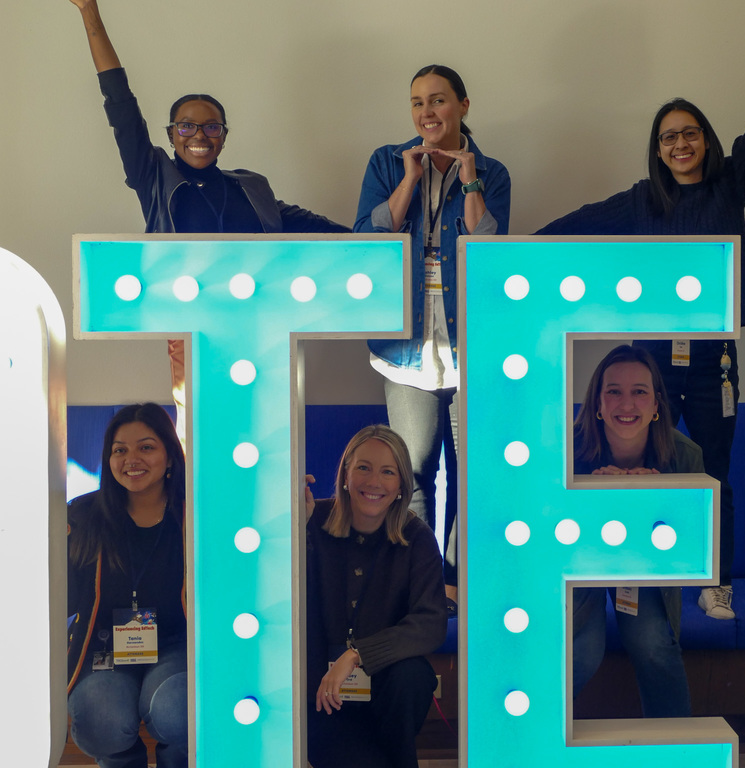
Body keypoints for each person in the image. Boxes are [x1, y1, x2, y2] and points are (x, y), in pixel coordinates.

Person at [538, 16, 745, 620]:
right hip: (651, 359)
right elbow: (571, 226)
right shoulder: (639, 201)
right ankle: (639, 573)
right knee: (647, 462)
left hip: (715, 358)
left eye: (688, 134)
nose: (679, 145)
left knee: (713, 472)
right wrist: (507, 255)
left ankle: (714, 582)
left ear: (704, 140)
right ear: (657, 150)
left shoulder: (729, 186)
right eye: (667, 139)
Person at [68, 0, 351, 442]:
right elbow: (121, 106)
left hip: (261, 327)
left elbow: (314, 226)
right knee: (202, 438)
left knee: (269, 437)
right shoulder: (155, 178)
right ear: (170, 135)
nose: (199, 135)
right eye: (186, 126)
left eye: (211, 127)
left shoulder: (250, 187)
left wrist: (385, 236)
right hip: (193, 330)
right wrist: (90, 14)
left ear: (224, 135)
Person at [354, 65, 511, 604]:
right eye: (418, 102)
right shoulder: (386, 161)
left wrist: (469, 180)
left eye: (439, 101)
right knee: (413, 471)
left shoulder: (492, 170)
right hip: (406, 345)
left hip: (471, 342)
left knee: (473, 470)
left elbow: (487, 246)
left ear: (464, 105)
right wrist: (410, 178)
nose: (427, 113)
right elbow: (370, 239)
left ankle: (458, 581)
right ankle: (421, 585)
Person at [572, 345, 704, 717]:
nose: (626, 404)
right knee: (581, 650)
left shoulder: (685, 456)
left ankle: (672, 752)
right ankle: (528, 739)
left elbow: (693, 552)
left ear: (657, 403)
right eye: (614, 391)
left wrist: (658, 505)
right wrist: (593, 501)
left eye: (639, 391)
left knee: (652, 643)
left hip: (644, 567)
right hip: (580, 565)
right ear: (597, 403)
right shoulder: (565, 450)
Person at [305, 425, 448, 768]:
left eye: (388, 472)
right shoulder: (312, 520)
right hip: (322, 693)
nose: (374, 482)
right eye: (364, 468)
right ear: (345, 475)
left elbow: (430, 623)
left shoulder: (417, 536)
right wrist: (293, 528)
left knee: (412, 677)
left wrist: (357, 655)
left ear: (401, 486)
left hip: (388, 690)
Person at [67, 404, 188, 768]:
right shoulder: (82, 515)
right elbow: (67, 600)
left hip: (175, 647)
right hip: (104, 649)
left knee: (179, 708)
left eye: (146, 447)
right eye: (120, 449)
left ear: (169, 457)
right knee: (98, 719)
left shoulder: (195, 514)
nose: (131, 459)